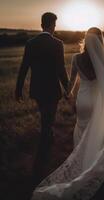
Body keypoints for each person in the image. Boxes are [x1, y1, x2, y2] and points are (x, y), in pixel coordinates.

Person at [31, 27, 104, 200]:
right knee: (97, 132)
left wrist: (67, 94)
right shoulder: (103, 60)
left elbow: (71, 83)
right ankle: (94, 163)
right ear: (100, 42)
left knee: (82, 130)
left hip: (83, 101)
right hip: (97, 103)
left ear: (86, 39)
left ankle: (83, 161)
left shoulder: (76, 58)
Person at [15, 12, 69, 175]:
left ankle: (48, 137)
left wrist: (18, 89)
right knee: (47, 120)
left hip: (37, 90)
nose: (54, 27)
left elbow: (24, 67)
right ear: (52, 25)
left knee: (46, 117)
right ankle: (40, 162)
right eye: (54, 25)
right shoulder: (58, 44)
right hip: (53, 90)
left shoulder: (30, 43)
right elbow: (61, 69)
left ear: (41, 25)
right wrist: (67, 88)